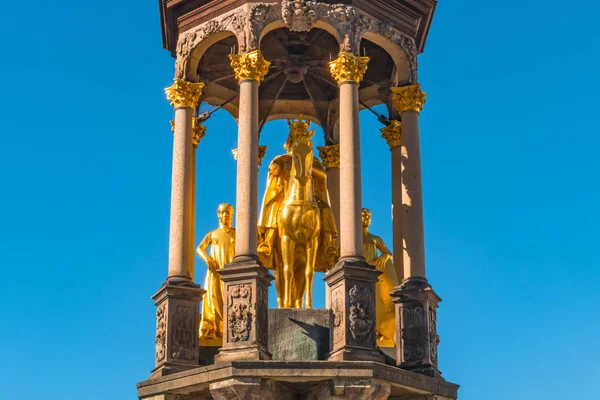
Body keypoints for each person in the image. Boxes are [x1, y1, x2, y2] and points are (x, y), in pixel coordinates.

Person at [196, 204, 235, 344]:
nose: (225, 216)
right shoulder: (213, 234)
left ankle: (228, 328)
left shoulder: (236, 233)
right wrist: (207, 259)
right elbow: (199, 248)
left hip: (231, 272)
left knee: (229, 298)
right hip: (216, 271)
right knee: (215, 298)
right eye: (223, 213)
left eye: (228, 213)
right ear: (219, 215)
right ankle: (215, 328)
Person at [362, 208, 398, 347]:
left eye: (368, 217)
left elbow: (388, 253)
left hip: (374, 274)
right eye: (363, 216)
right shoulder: (353, 239)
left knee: (379, 303)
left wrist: (385, 256)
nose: (366, 219)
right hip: (361, 272)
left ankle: (380, 332)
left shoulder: (374, 239)